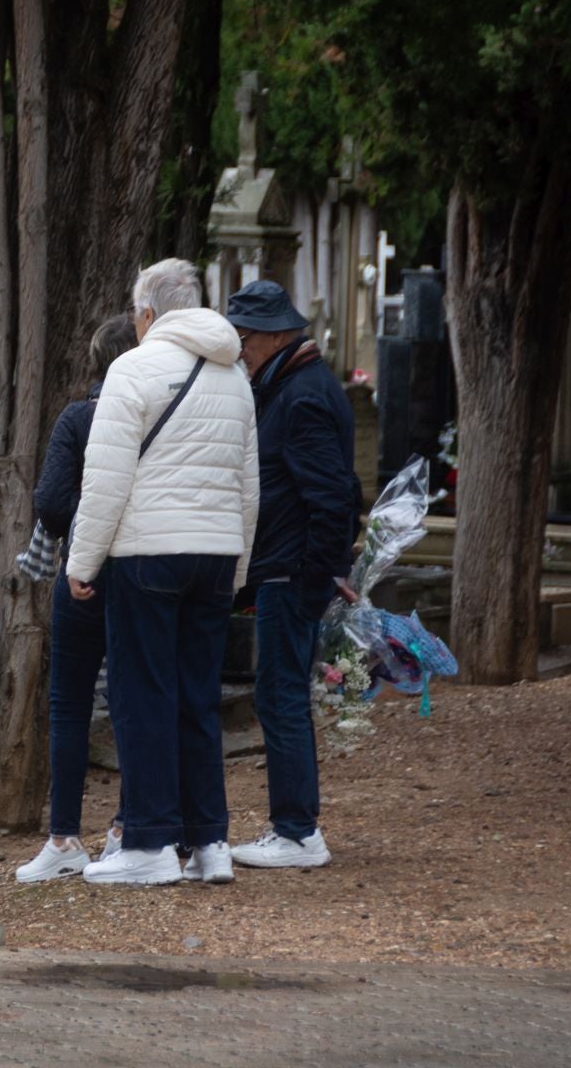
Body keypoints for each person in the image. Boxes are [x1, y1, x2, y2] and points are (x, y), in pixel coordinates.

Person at [65, 258, 259, 887]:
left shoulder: (132, 367)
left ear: (147, 313)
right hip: (215, 553)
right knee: (197, 698)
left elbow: (106, 480)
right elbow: (248, 486)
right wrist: (238, 568)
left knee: (141, 694)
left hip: (148, 553)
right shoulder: (235, 374)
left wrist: (81, 562)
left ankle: (148, 842)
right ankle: (210, 842)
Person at [223, 279, 362, 870]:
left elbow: (333, 497)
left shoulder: (300, 394)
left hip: (290, 569)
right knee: (279, 696)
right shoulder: (294, 384)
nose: (239, 347)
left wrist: (316, 576)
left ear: (276, 334)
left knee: (279, 698)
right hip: (286, 567)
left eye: (245, 336)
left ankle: (297, 832)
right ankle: (294, 826)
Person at [15, 314, 138, 883]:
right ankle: (126, 827)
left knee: (69, 703)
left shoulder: (79, 418)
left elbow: (50, 501)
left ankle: (64, 836)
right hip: (143, 571)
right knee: (138, 700)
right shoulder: (155, 416)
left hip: (82, 575)